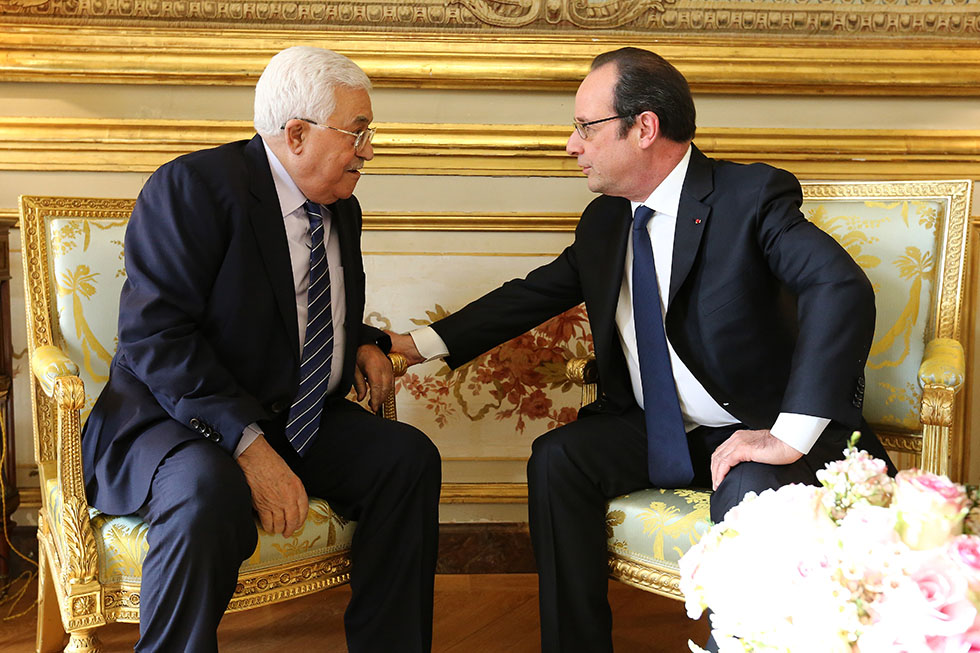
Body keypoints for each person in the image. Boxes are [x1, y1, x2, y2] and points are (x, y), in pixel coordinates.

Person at [389, 47, 894, 652]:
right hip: (664, 426)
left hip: (759, 423)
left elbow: (837, 285)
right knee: (559, 458)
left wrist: (789, 433)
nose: (571, 144)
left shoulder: (748, 196)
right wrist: (414, 345)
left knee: (749, 483)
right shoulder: (606, 221)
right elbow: (534, 294)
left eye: (584, 127)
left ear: (644, 127)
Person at [82, 46, 441, 652]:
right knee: (206, 492)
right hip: (179, 421)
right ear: (297, 133)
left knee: (406, 460)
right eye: (359, 132)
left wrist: (364, 343)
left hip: (292, 412)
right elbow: (157, 337)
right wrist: (248, 447)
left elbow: (300, 307)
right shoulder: (193, 187)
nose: (369, 150)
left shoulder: (339, 206)